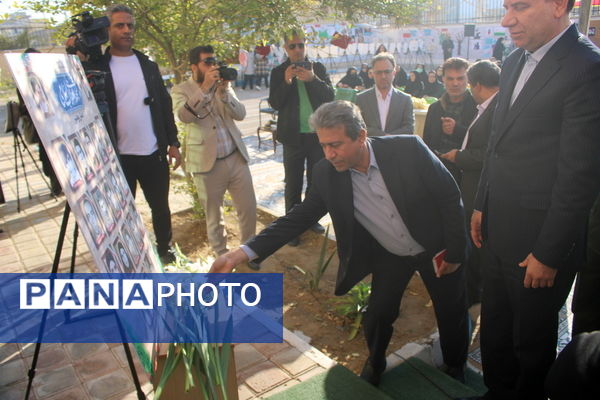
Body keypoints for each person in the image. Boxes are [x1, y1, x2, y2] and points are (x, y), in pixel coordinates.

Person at [210, 100, 470, 387]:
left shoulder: (408, 149)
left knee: (451, 310)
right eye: (323, 145)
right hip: (391, 254)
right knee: (379, 313)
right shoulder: (326, 173)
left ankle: (455, 366)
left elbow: (449, 197)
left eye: (336, 144)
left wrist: (456, 252)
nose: (329, 154)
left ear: (361, 136)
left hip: (436, 248)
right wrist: (241, 253)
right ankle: (376, 362)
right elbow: (299, 217)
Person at [469, 1, 600, 399]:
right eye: (506, 6)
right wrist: (480, 203)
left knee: (531, 345)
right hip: (496, 230)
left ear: (560, 5)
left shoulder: (588, 69)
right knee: (494, 332)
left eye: (520, 7)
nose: (507, 19)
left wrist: (549, 252)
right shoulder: (511, 62)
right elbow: (496, 143)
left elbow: (580, 175)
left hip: (538, 249)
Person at [74, 4, 181, 263]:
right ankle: (130, 256)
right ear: (107, 30)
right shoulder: (97, 66)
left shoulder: (148, 64)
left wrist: (174, 143)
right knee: (121, 213)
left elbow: (165, 106)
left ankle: (165, 250)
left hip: (153, 152)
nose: (126, 30)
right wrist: (76, 55)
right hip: (118, 158)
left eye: (130, 25)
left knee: (161, 208)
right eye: (119, 25)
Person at [171, 45, 258, 266]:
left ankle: (249, 252)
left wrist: (224, 92)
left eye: (214, 62)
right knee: (214, 217)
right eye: (207, 62)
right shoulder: (181, 89)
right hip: (206, 164)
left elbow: (241, 114)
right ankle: (222, 258)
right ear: (194, 67)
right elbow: (184, 116)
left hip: (234, 156)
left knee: (248, 208)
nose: (213, 66)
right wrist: (206, 88)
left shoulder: (222, 85)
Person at [439, 60, 499, 308]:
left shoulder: (496, 108)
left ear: (475, 85)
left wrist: (459, 156)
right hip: (472, 186)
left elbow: (490, 154)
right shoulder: (487, 106)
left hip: (479, 190)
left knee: (476, 247)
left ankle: (474, 294)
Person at [268, 29, 334, 246]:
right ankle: (291, 228)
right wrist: (286, 81)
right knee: (293, 183)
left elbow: (329, 97)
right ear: (285, 49)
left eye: (300, 45)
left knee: (316, 183)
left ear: (306, 46)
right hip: (292, 138)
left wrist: (313, 79)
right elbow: (275, 103)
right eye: (292, 46)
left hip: (318, 136)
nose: (297, 50)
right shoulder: (278, 72)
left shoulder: (319, 68)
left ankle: (310, 219)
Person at [423, 57, 477, 183]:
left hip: (465, 176)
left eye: (460, 78)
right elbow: (426, 142)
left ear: (467, 79)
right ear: (443, 79)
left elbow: (481, 143)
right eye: (450, 78)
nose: (455, 83)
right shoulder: (435, 108)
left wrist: (456, 130)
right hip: (437, 172)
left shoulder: (477, 106)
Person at [17, 48, 62, 196]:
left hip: (57, 125)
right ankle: (56, 186)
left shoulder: (48, 77)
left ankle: (58, 187)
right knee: (47, 162)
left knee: (59, 158)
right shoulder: (24, 80)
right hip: (41, 128)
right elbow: (24, 105)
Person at [356, 53, 414, 136]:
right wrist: (382, 136)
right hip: (371, 147)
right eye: (379, 72)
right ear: (373, 73)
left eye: (387, 72)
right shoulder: (361, 99)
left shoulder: (405, 100)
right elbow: (358, 126)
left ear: (394, 73)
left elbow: (409, 128)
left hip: (396, 146)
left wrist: (389, 138)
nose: (383, 76)